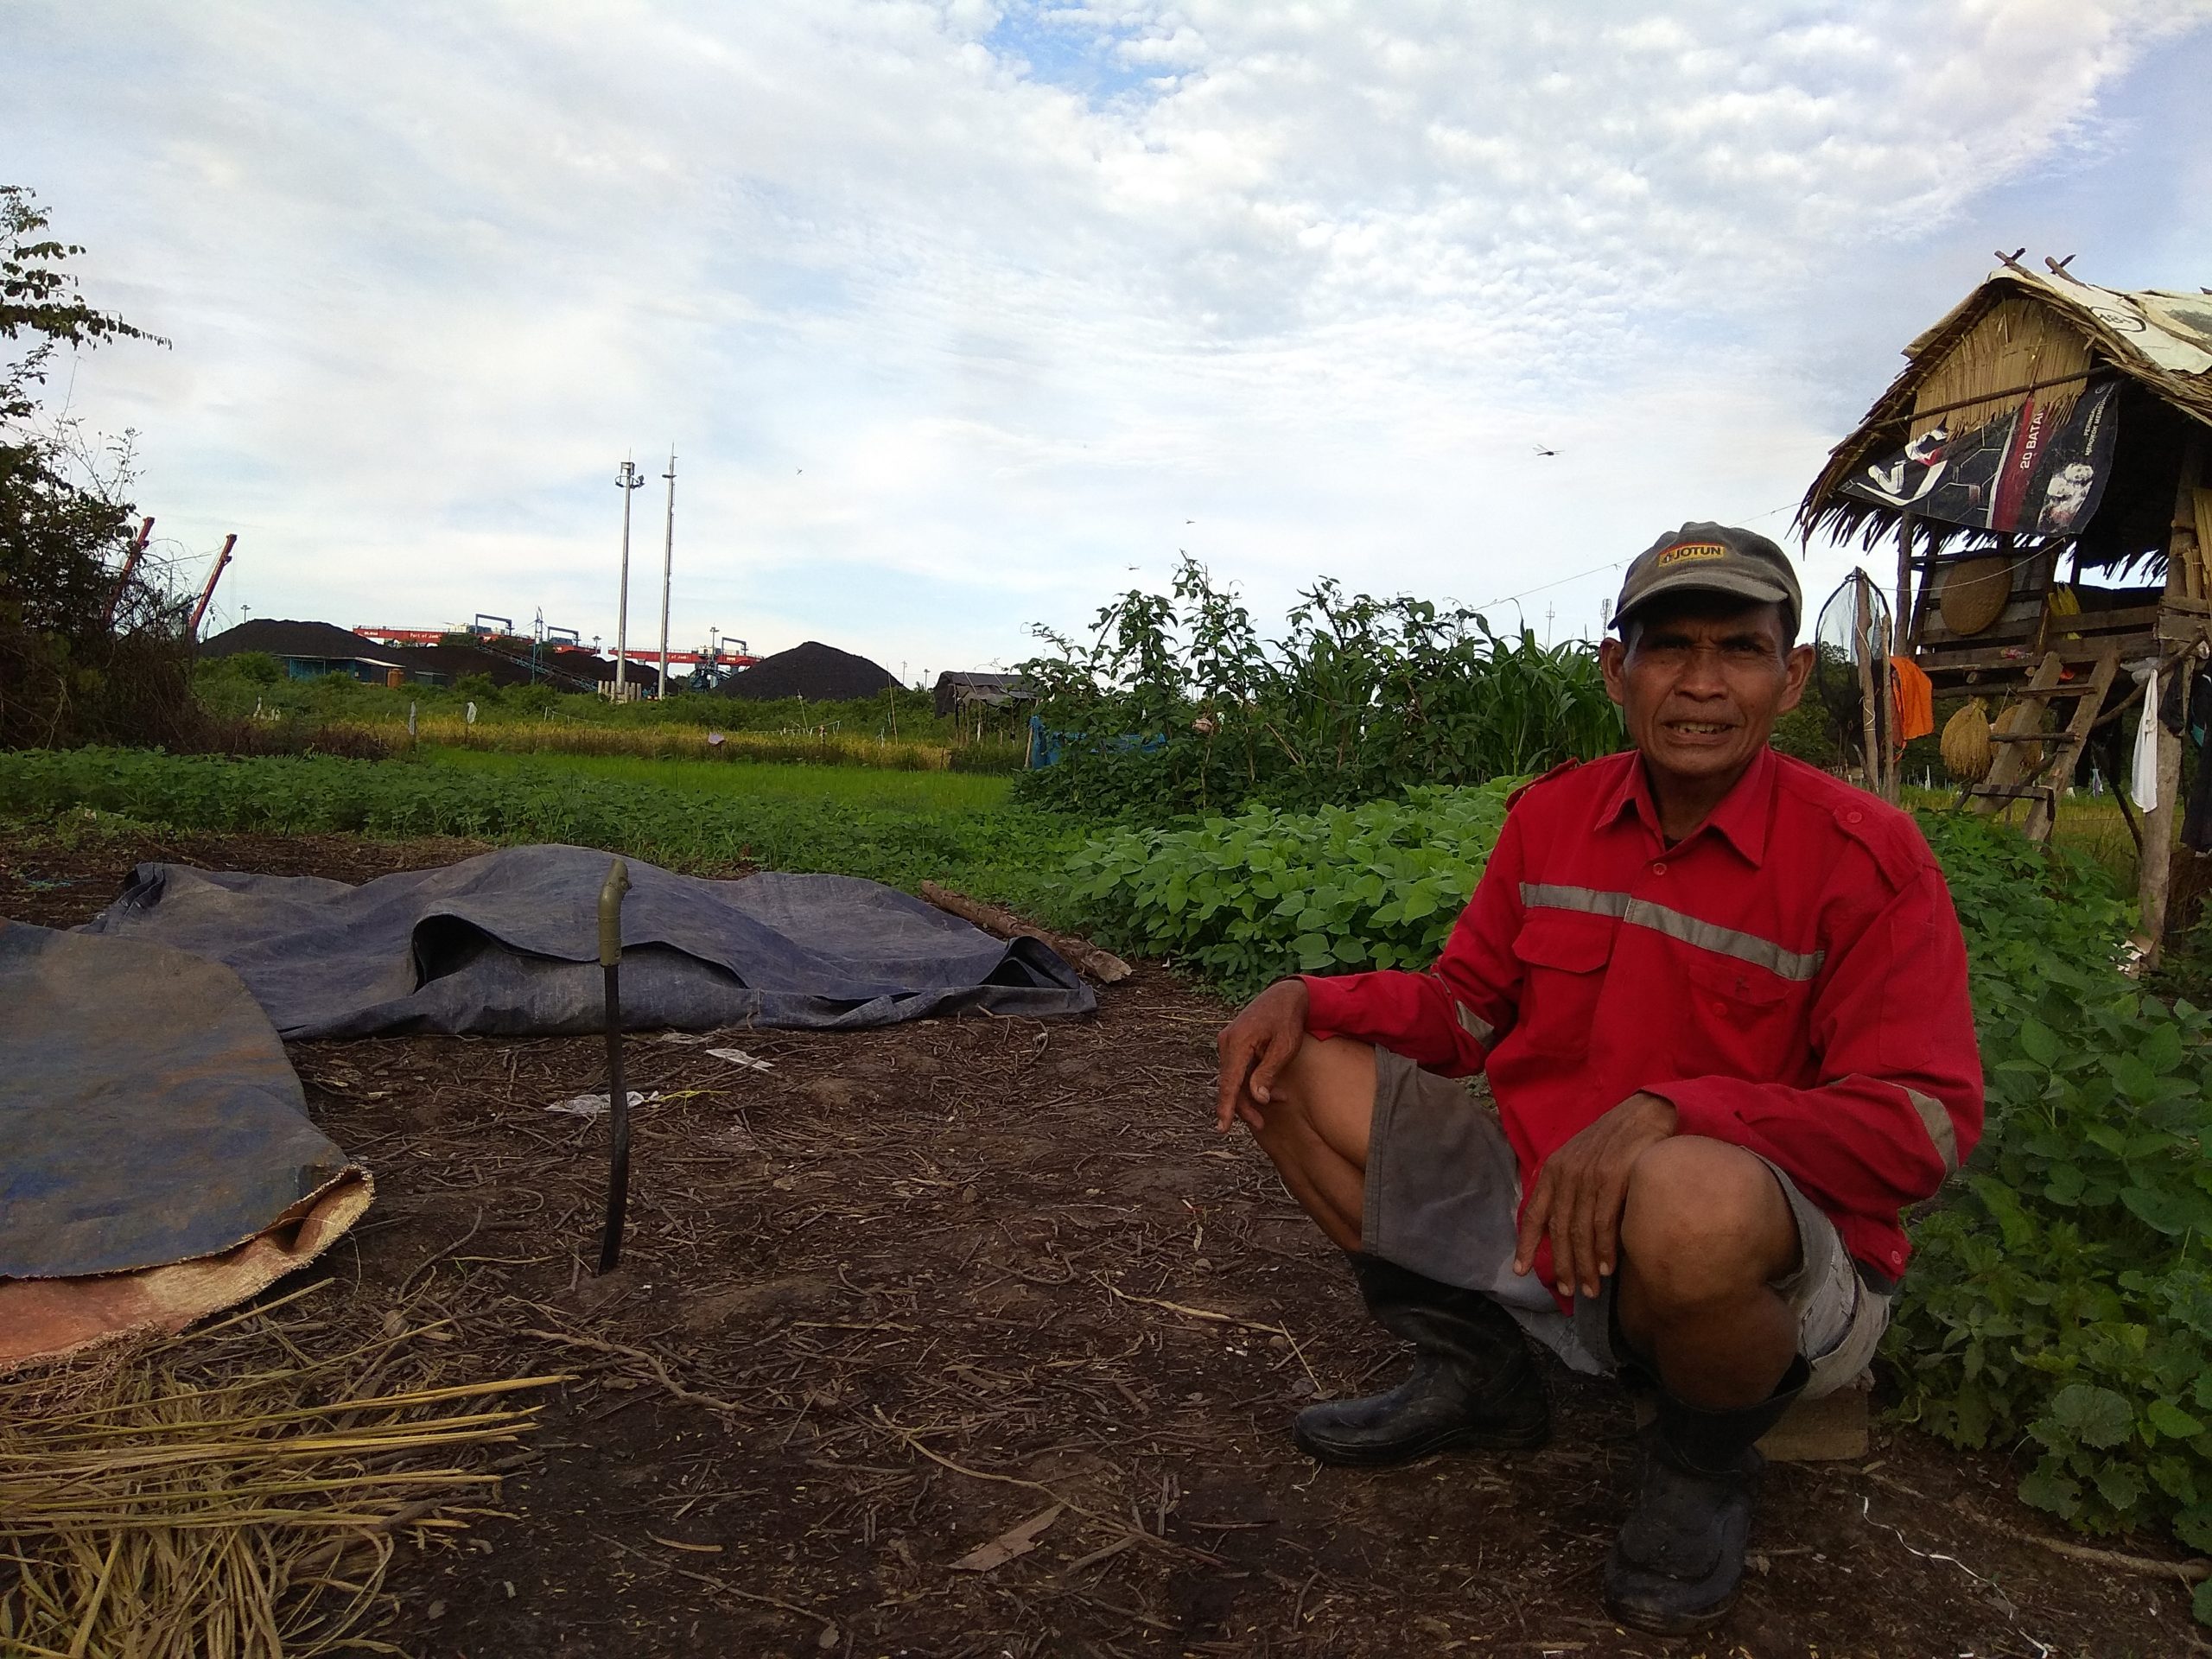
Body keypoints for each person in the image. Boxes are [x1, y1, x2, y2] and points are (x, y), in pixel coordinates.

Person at [1213, 523, 1983, 1635]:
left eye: (1741, 649)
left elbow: (1921, 1126)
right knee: (1287, 1071)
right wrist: (1310, 996)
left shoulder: (1867, 858)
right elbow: (1464, 1012)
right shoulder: (1553, 817)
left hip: (1747, 1257)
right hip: (1552, 1211)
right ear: (1617, 669)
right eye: (1668, 648)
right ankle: (1481, 1374)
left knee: (1688, 1195)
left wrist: (1676, 1111)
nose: (1701, 685)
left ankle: (1701, 1461)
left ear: (1792, 672)